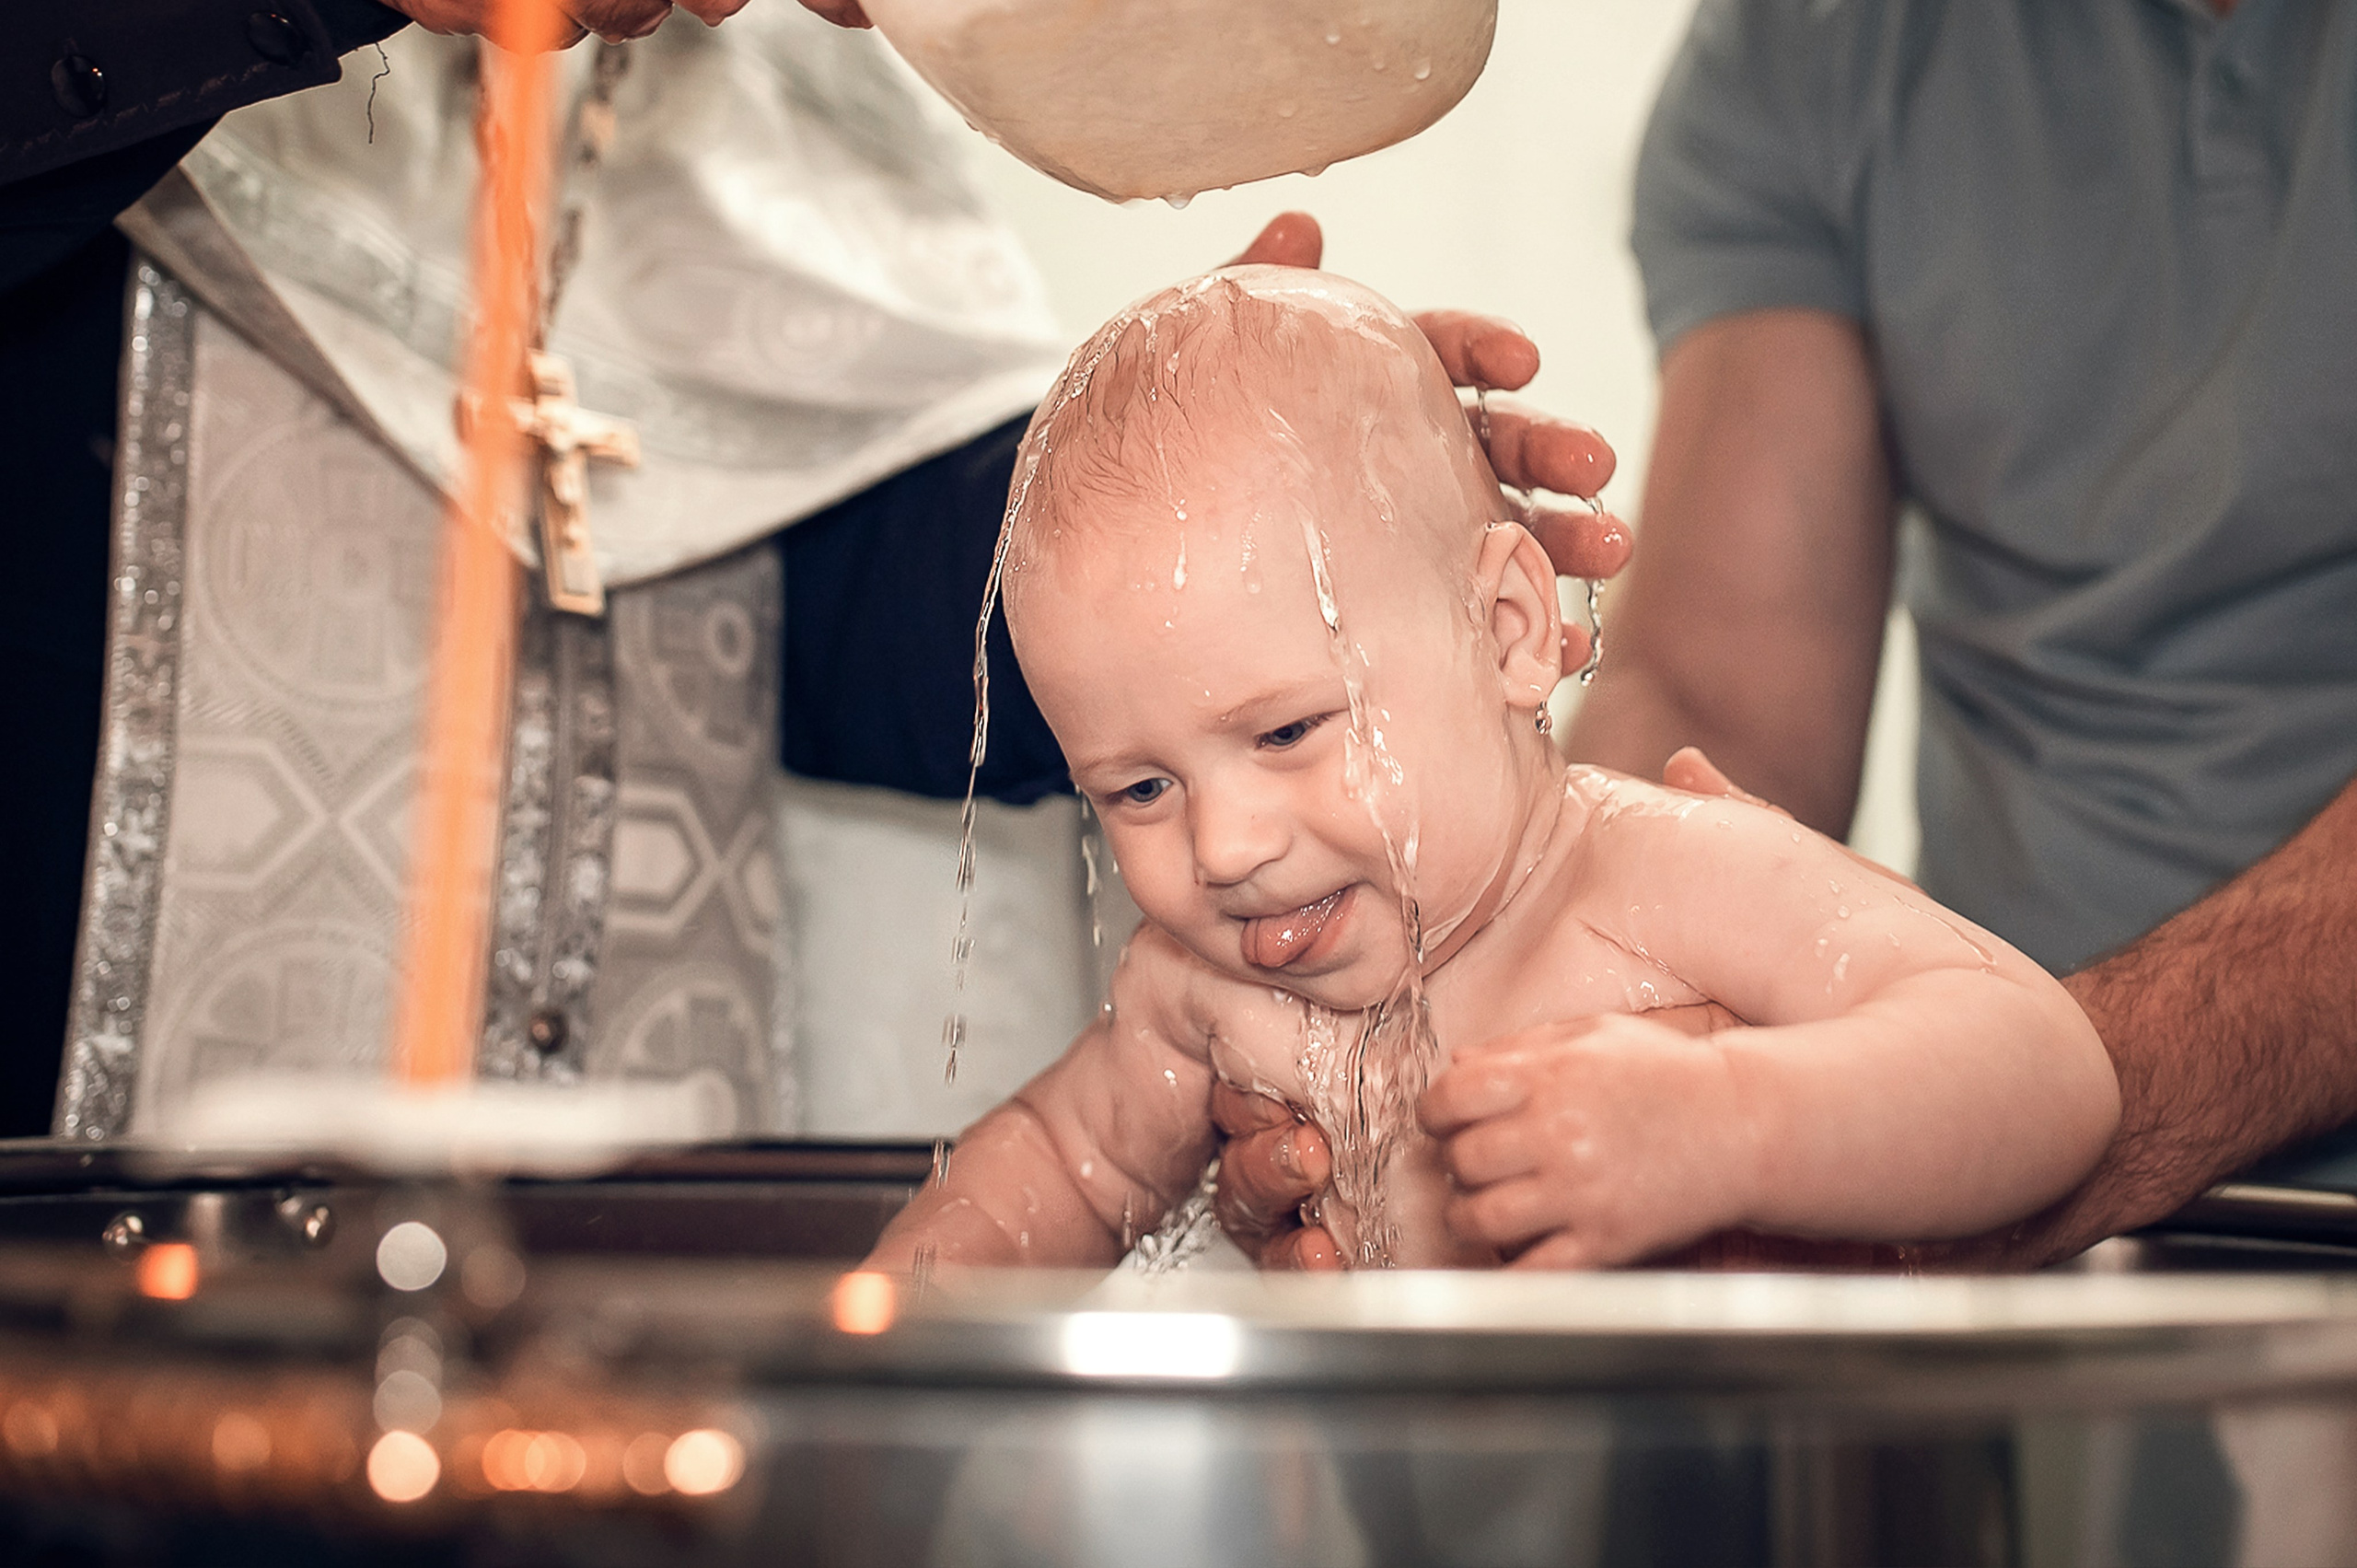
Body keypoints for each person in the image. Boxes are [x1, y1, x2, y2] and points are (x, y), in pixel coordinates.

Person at [1219, 0, 2357, 1274]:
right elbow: (1724, 695)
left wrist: (1879, 1128)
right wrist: (1457, 1050)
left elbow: (2005, 1099)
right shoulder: (1819, 41)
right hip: (1972, 1143)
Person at [863, 266, 2117, 1273]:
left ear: (1509, 631)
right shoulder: (1207, 994)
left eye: (1288, 733)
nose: (1226, 847)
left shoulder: (1660, 881)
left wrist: (1730, 1119)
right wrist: (876, 1334)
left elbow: (2042, 1064)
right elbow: (1061, 1166)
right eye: (1140, 789)